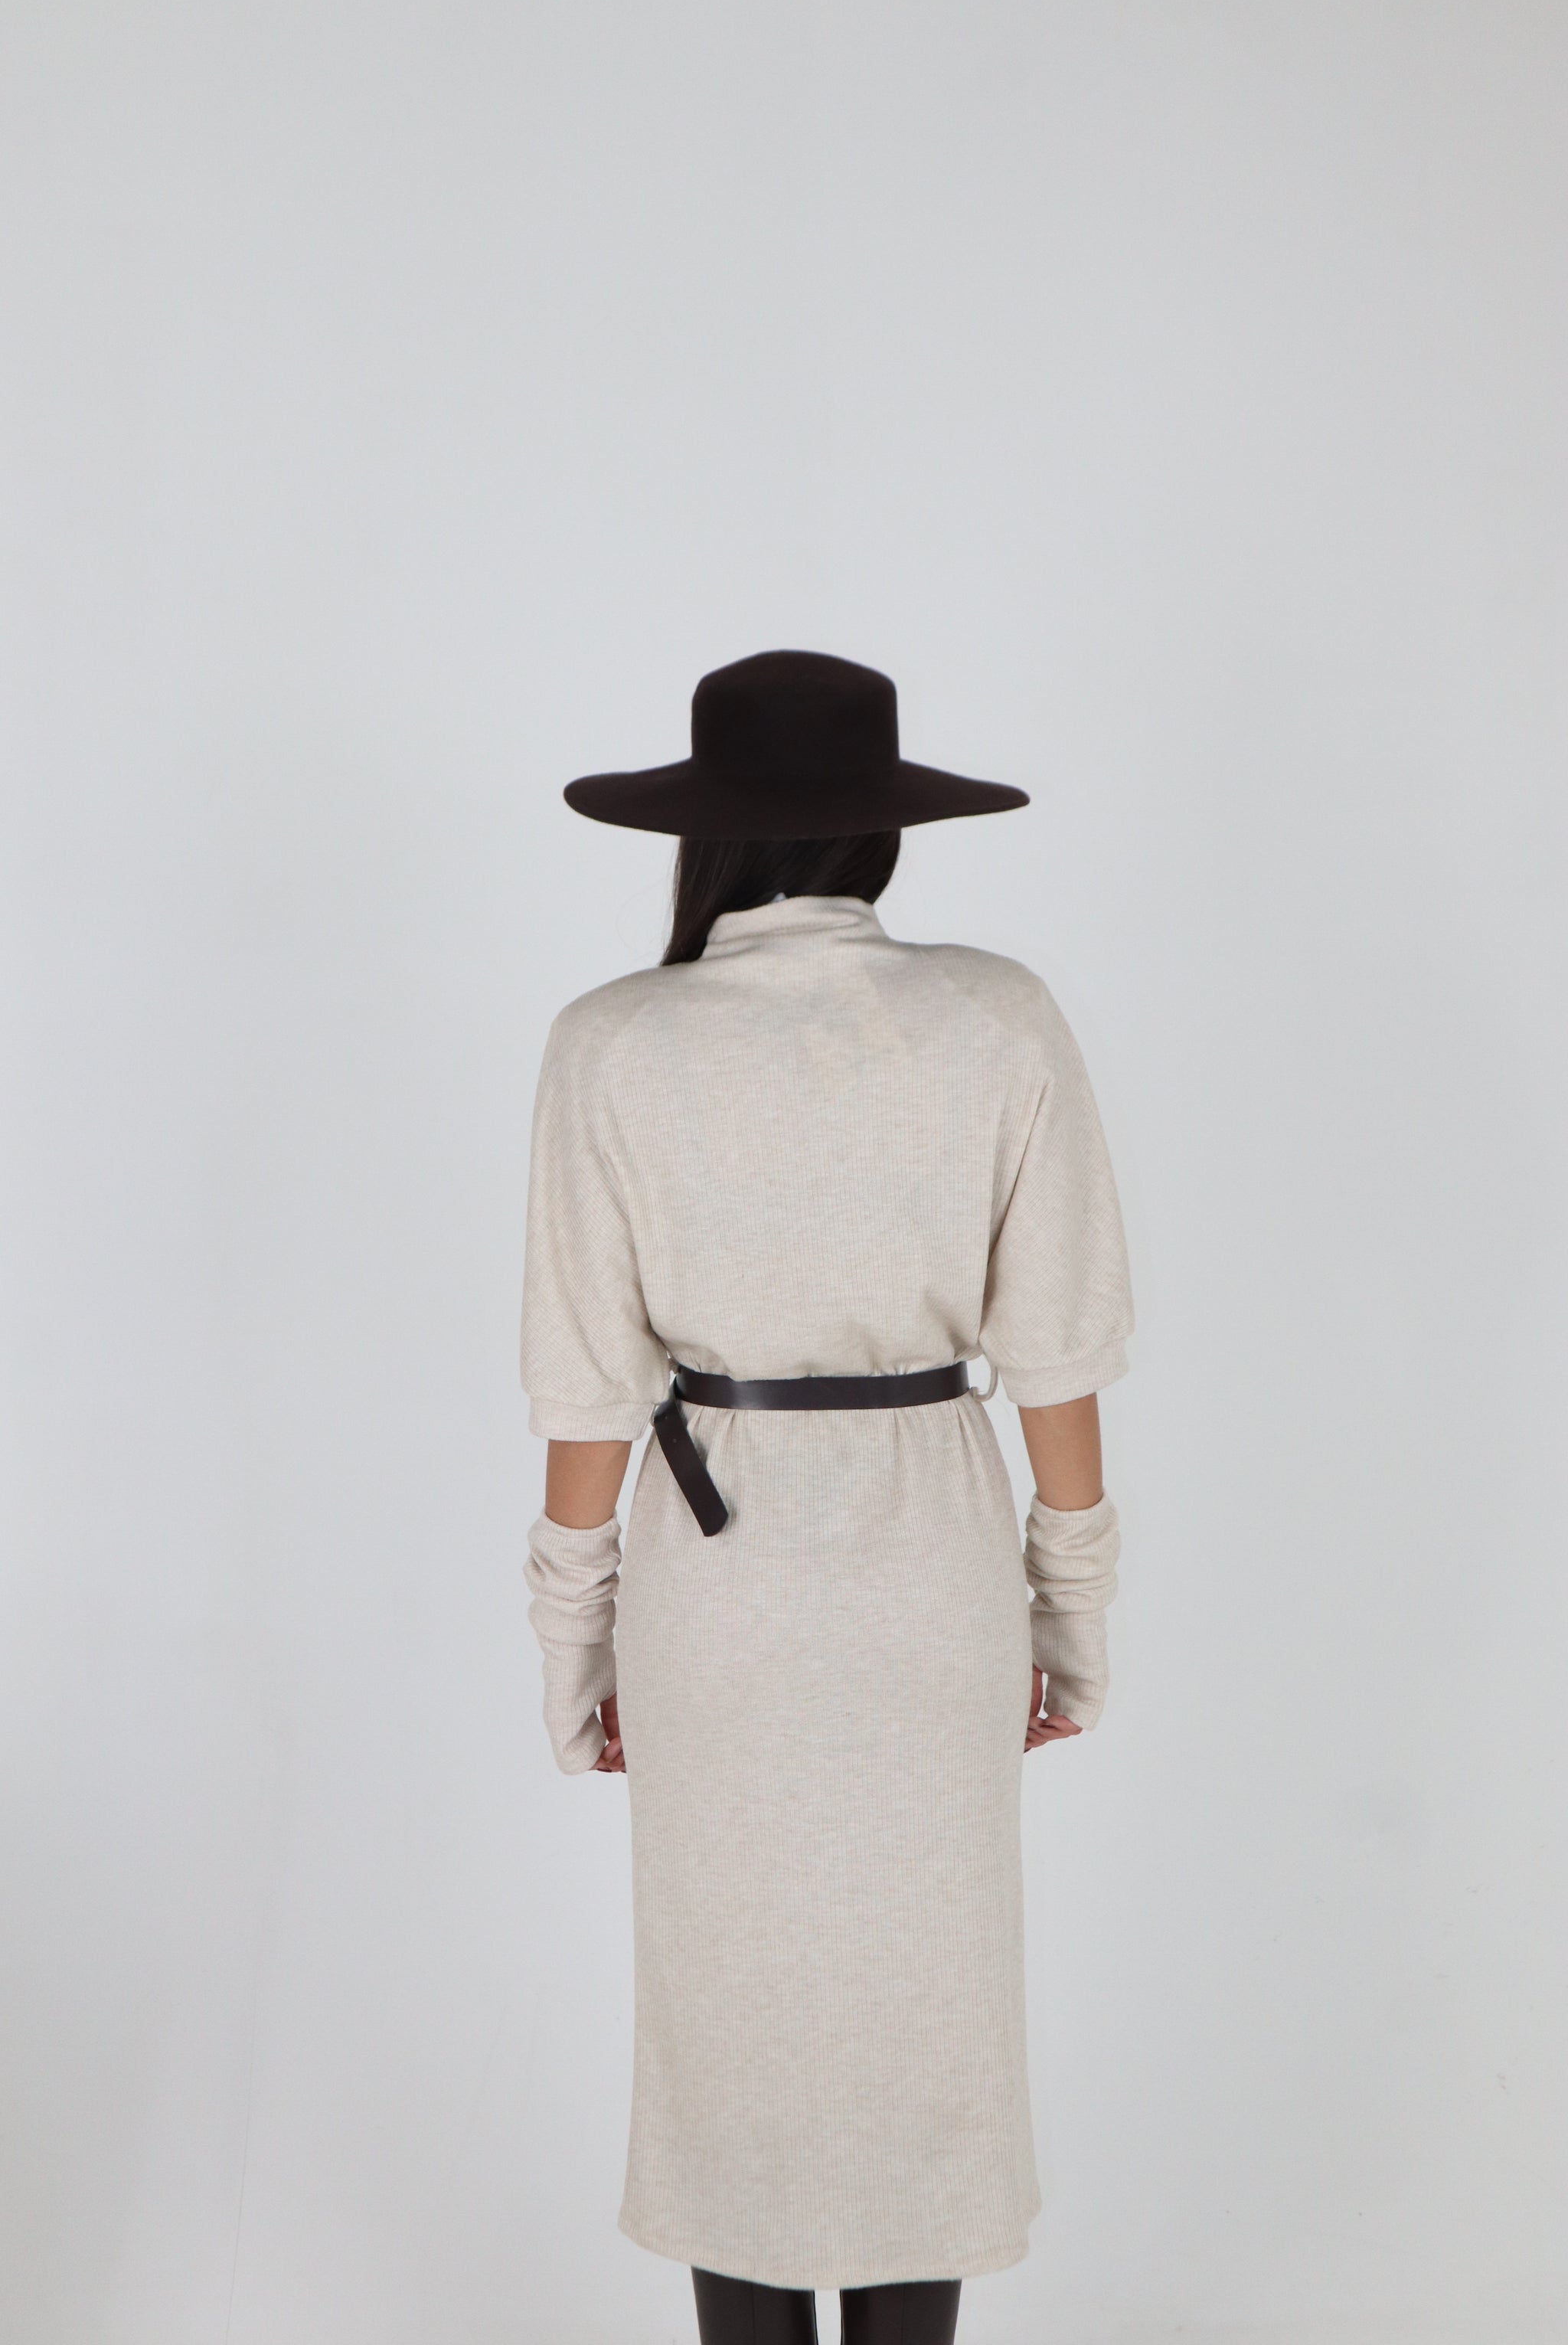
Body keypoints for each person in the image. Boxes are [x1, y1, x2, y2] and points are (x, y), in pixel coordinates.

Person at [519, 650, 1133, 2345]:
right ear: (885, 830)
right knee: (926, 2012)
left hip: (715, 1583)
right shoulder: (997, 1016)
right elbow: (1060, 1358)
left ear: (700, 834)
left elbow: (584, 1391)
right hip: (935, 1560)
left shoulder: (611, 1041)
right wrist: (1072, 1617)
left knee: (734, 2018)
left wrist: (573, 1651)